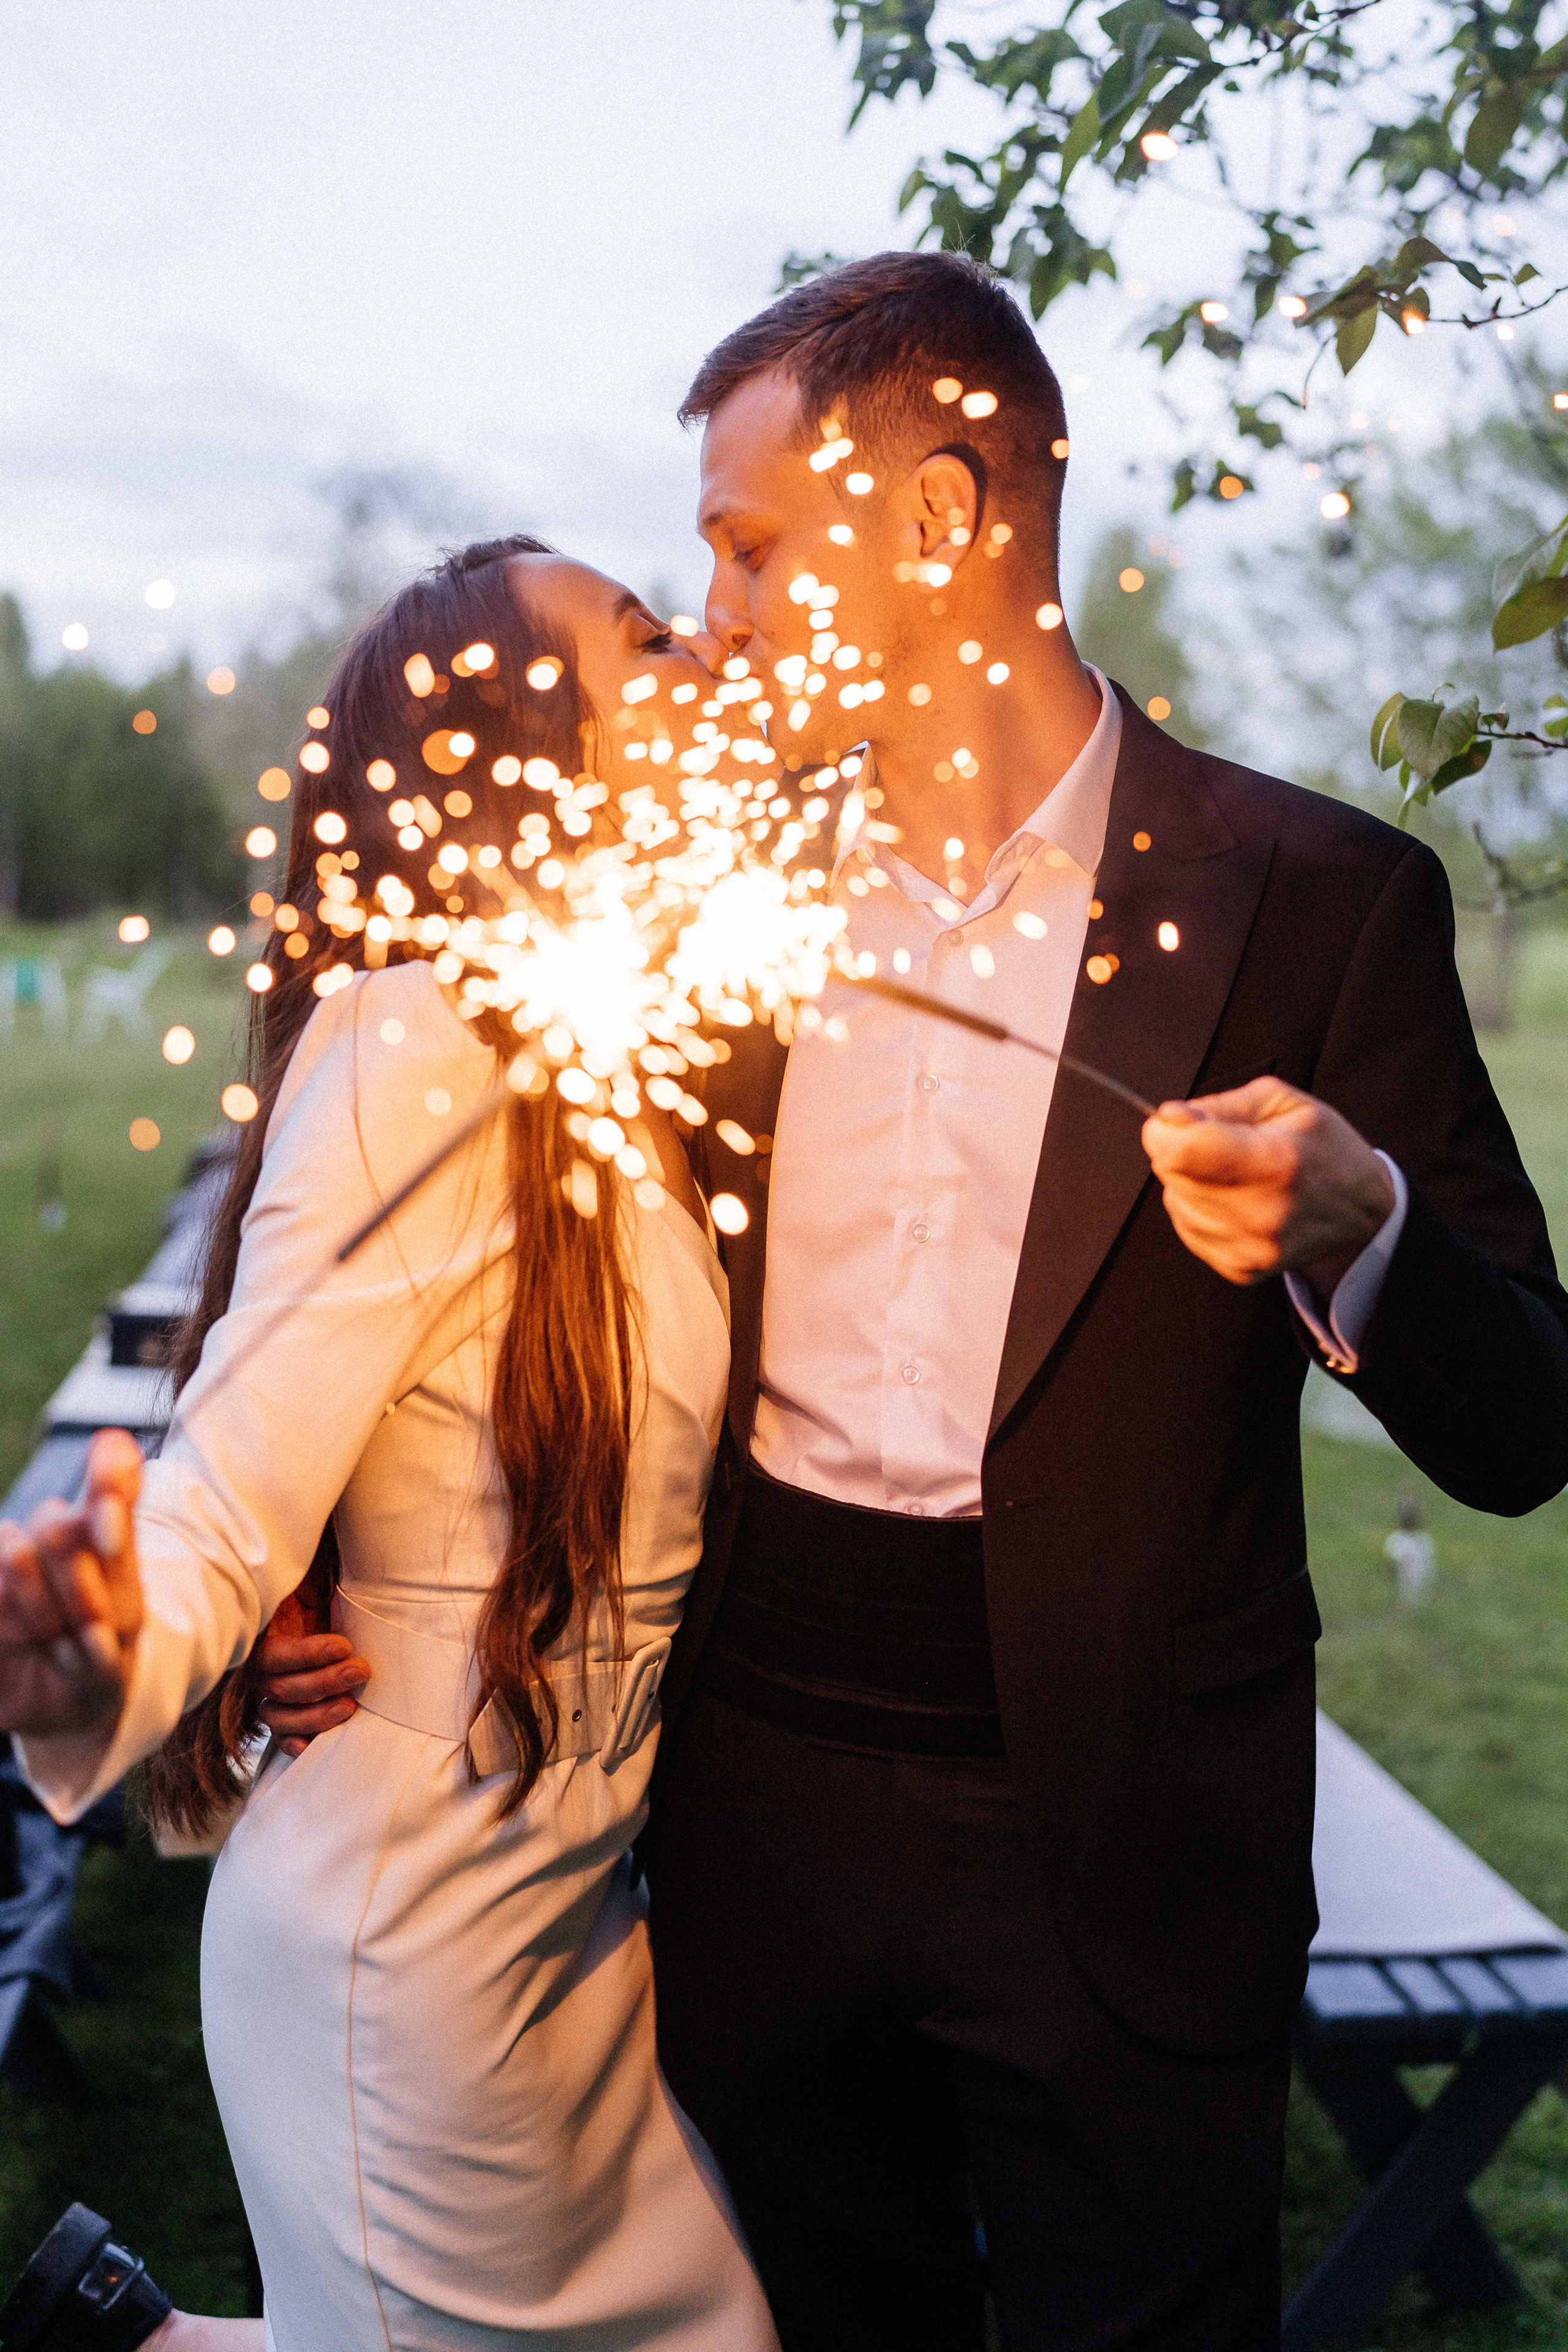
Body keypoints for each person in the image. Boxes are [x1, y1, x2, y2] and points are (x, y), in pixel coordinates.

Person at [250, 256, 1567, 2350]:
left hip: (1132, 1838)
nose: (721, 613)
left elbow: (1527, 1431)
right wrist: (296, 1566)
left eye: (752, 545)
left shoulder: (1319, 902)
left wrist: (1365, 1224)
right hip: (750, 1810)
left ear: (944, 516)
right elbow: (443, 1220)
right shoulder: (704, 906)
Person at [0, 537, 780, 2352]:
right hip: (405, 1954)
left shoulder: (626, 1057)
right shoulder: (416, 1043)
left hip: (575, 1928)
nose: (696, 656)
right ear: (515, 744)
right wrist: (107, 1651)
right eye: (643, 640)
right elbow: (223, 1492)